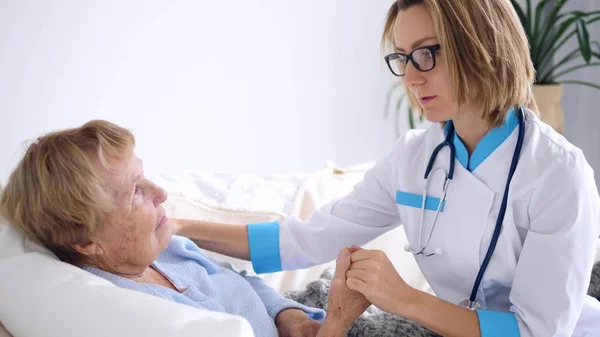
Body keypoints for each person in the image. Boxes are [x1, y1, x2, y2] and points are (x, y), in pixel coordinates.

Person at [168, 0, 600, 336]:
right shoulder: (414, 158)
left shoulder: (557, 174)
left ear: (482, 45)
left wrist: (404, 299)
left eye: (428, 53)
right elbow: (305, 239)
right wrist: (179, 227)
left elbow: (536, 331)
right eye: (403, 58)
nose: (412, 78)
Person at [0, 120, 371, 337]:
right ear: (85, 240)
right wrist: (338, 318)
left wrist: (284, 314)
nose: (161, 193)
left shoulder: (167, 249)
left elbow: (240, 282)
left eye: (144, 176)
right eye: (135, 193)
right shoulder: (136, 313)